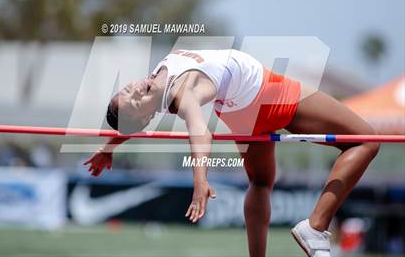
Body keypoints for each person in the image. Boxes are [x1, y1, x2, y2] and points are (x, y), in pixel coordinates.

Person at [84, 49, 380, 257]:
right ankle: (315, 227)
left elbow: (133, 123)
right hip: (268, 92)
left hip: (239, 109)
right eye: (137, 100)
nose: (136, 89)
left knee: (261, 182)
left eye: (128, 90)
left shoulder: (155, 87)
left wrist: (107, 148)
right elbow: (200, 131)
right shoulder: (181, 92)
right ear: (147, 117)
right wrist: (200, 181)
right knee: (366, 140)